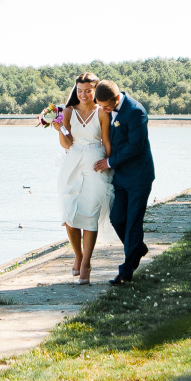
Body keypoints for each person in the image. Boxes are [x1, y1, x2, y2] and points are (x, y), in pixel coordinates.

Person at [52, 72, 114, 285]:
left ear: (95, 90)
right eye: (80, 90)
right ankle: (77, 254)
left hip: (95, 166)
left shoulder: (102, 113)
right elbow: (67, 144)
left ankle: (86, 262)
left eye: (88, 90)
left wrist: (108, 164)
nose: (84, 94)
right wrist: (60, 129)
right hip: (73, 164)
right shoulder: (68, 111)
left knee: (90, 214)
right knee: (70, 214)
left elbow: (106, 142)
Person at [92, 79, 155, 286]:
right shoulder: (108, 109)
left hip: (139, 176)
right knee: (117, 219)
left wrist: (109, 161)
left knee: (133, 222)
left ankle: (126, 272)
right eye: (101, 106)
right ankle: (138, 248)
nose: (104, 110)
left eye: (107, 106)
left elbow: (135, 147)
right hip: (120, 177)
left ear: (117, 98)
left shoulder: (136, 112)